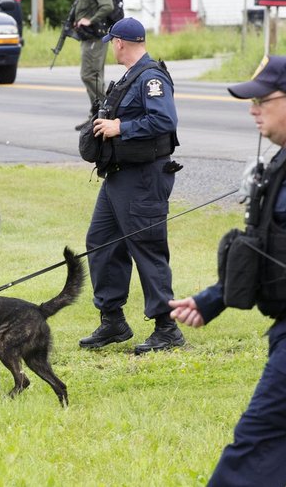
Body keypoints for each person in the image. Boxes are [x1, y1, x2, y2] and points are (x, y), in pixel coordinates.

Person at [169, 55, 286, 486]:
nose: (252, 110)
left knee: (250, 460)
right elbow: (273, 249)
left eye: (261, 101)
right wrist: (213, 299)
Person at [78, 17, 184, 353]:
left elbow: (164, 119)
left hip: (143, 177)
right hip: (118, 176)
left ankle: (167, 328)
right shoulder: (129, 77)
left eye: (112, 41)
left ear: (120, 43)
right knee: (101, 242)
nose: (111, 46)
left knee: (146, 246)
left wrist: (120, 127)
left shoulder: (151, 77)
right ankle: (113, 321)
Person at [69, 0, 114, 129]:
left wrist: (91, 20)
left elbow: (107, 5)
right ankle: (96, 114)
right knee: (94, 76)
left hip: (96, 37)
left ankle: (105, 111)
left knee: (90, 75)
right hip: (88, 38)